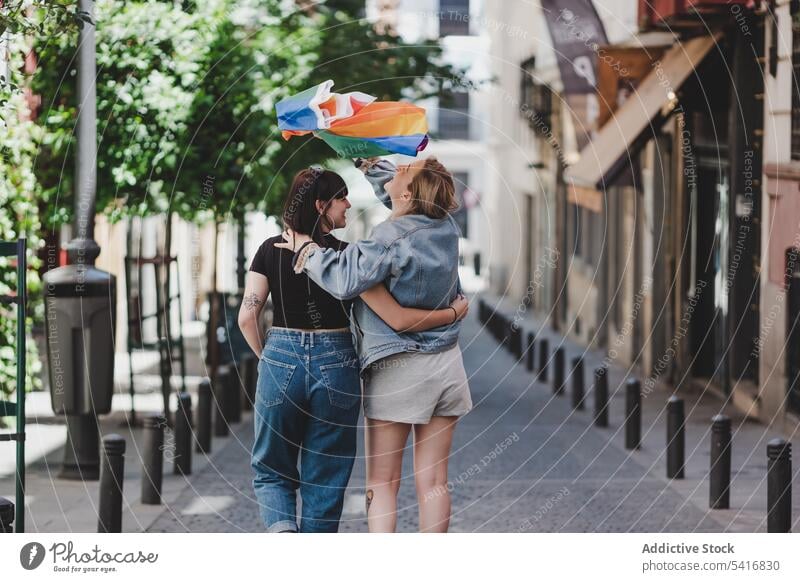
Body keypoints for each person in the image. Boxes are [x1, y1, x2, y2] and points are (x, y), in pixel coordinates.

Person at [238, 165, 467, 533]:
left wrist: (269, 360)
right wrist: (452, 312)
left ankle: (282, 534)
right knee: (331, 473)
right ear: (320, 205)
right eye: (341, 198)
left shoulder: (274, 250)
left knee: (278, 468)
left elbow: (248, 317)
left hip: (301, 357)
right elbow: (407, 197)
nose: (348, 204)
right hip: (365, 363)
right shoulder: (425, 233)